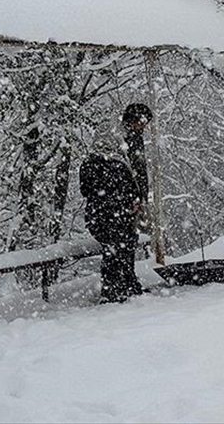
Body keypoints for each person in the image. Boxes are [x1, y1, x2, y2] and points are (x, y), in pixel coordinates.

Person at [79, 152, 144, 303]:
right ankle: (123, 285)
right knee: (122, 247)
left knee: (114, 249)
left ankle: (114, 288)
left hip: (99, 217)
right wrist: (129, 205)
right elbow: (132, 191)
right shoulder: (119, 165)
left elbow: (85, 191)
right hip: (117, 216)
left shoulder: (89, 164)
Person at [121, 103, 153, 232]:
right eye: (142, 122)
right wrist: (139, 196)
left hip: (127, 197)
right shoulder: (130, 138)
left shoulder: (130, 137)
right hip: (127, 197)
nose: (144, 126)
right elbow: (138, 169)